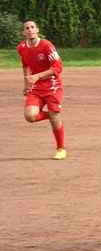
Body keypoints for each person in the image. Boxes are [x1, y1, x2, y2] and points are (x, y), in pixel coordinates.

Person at [16, 20, 66, 160]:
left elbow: (58, 68)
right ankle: (52, 115)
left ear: (37, 30)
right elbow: (25, 65)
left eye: (32, 27)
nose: (30, 29)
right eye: (27, 28)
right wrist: (27, 84)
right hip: (36, 88)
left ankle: (61, 149)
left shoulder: (47, 46)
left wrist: (37, 76)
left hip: (52, 85)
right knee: (30, 116)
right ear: (23, 32)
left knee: (54, 116)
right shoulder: (21, 48)